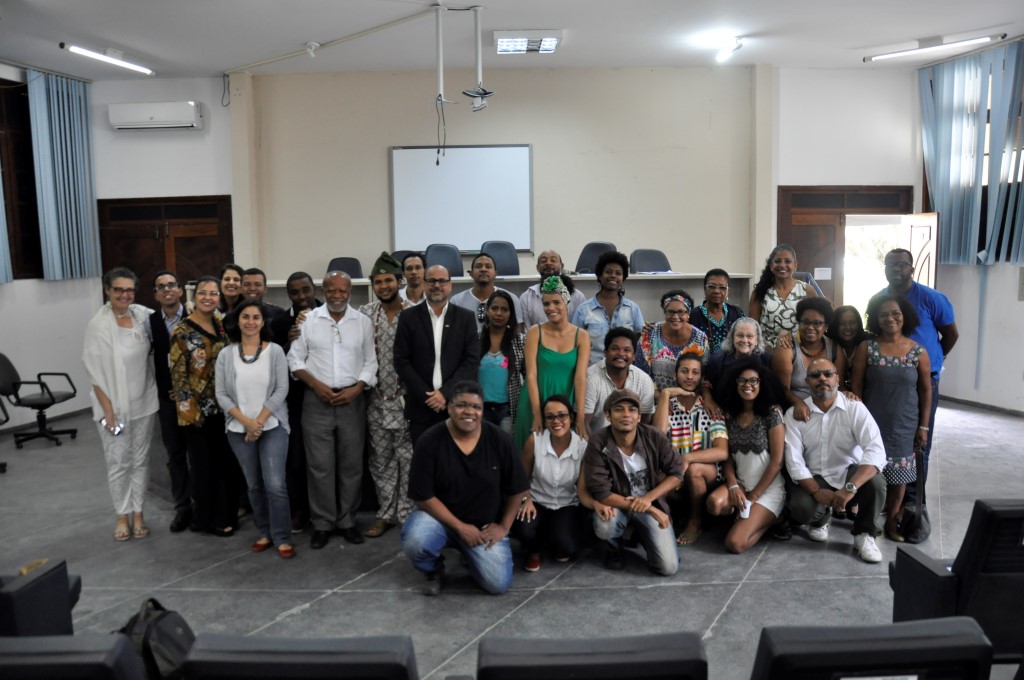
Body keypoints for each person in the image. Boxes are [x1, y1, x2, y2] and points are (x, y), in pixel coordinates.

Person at [402, 381, 530, 595]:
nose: (469, 411)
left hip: (483, 527)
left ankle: (470, 556)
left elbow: (518, 488)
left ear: (482, 410)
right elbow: (422, 496)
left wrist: (503, 527)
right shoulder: (429, 441)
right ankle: (433, 569)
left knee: (497, 584)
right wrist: (460, 527)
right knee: (417, 540)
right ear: (449, 407)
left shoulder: (499, 439)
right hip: (440, 521)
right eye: (462, 405)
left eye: (476, 407)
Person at [287, 271, 378, 550]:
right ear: (322, 291)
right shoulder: (308, 320)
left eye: (342, 290)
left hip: (352, 399)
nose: (337, 295)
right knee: (319, 466)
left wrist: (357, 388)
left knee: (351, 465)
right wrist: (316, 386)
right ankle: (323, 523)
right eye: (331, 290)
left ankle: (347, 521)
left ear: (350, 291)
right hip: (317, 400)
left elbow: (370, 362)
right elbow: (295, 360)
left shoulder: (362, 322)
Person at [873, 248, 957, 504]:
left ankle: (913, 502)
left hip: (923, 381)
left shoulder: (932, 298)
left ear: (912, 269)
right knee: (888, 439)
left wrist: (933, 359)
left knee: (919, 441)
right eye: (890, 265)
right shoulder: (879, 299)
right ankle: (888, 498)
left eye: (901, 265)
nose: (896, 269)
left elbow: (951, 334)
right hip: (889, 380)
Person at [784, 358, 887, 563]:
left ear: (837, 379)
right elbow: (794, 461)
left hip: (848, 474)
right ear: (806, 382)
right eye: (815, 375)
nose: (822, 378)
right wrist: (815, 491)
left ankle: (864, 534)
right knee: (801, 508)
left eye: (828, 374)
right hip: (816, 477)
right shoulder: (794, 414)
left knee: (876, 483)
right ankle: (820, 520)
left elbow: (876, 450)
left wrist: (850, 488)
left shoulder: (854, 407)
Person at [83, 267, 159, 541]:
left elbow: (168, 318)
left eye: (129, 289)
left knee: (140, 461)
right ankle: (121, 515)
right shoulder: (99, 325)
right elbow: (94, 372)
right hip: (113, 409)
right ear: (108, 291)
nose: (124, 295)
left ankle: (138, 513)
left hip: (144, 403)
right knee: (118, 462)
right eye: (119, 290)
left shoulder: (141, 315)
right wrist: (109, 411)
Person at [215, 300, 295, 559]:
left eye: (256, 317)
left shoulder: (275, 351)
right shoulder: (226, 355)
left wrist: (257, 422)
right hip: (239, 429)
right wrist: (246, 423)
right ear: (238, 321)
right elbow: (221, 394)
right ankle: (265, 532)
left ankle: (282, 536)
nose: (250, 322)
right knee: (254, 485)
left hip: (272, 426)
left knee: (275, 485)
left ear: (263, 322)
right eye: (245, 317)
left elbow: (281, 390)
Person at [851, 295, 931, 542]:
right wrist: (856, 421)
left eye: (895, 313)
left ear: (905, 316)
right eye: (883, 314)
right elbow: (856, 387)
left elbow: (926, 391)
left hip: (904, 424)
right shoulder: (867, 348)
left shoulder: (918, 351)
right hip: (871, 423)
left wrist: (923, 426)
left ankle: (892, 522)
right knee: (868, 472)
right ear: (876, 318)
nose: (890, 318)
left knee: (900, 478)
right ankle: (867, 520)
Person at [584, 389, 682, 575]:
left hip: (649, 501)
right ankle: (614, 548)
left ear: (639, 416)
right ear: (608, 415)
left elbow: (676, 472)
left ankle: (643, 535)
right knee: (605, 526)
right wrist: (650, 508)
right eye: (618, 409)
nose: (626, 414)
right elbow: (602, 493)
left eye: (632, 410)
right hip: (616, 505)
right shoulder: (598, 442)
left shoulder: (654, 436)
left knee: (668, 567)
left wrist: (649, 499)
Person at [170, 276, 239, 537]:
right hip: (197, 413)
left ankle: (224, 516)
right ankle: (205, 519)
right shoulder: (181, 331)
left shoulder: (222, 324)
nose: (208, 297)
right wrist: (189, 412)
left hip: (224, 408)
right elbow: (178, 376)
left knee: (225, 465)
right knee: (202, 467)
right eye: (203, 293)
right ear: (194, 296)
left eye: (213, 293)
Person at [359, 253, 415, 538]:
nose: (383, 286)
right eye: (378, 282)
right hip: (376, 401)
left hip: (407, 401)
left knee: (408, 459)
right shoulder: (364, 314)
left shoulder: (415, 313)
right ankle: (385, 513)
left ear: (399, 282)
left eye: (388, 280)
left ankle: (407, 514)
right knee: (381, 460)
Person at [705, 358, 786, 553]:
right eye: (742, 380)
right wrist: (733, 485)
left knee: (734, 543)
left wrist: (753, 497)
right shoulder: (730, 415)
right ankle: (745, 518)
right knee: (714, 504)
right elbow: (727, 457)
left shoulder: (772, 414)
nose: (747, 384)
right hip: (741, 484)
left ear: (762, 383)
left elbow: (777, 462)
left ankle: (772, 519)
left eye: (753, 380)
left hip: (767, 490)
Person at [394, 264, 481, 443]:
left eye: (442, 281)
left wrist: (444, 394)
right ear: (424, 284)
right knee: (424, 458)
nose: (437, 285)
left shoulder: (465, 318)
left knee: (456, 457)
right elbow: (401, 361)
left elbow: (471, 361)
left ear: (450, 285)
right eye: (431, 281)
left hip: (456, 405)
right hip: (421, 406)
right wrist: (428, 396)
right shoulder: (408, 317)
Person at [653, 350, 728, 546]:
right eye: (684, 371)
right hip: (676, 473)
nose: (689, 376)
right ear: (675, 374)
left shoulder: (710, 408)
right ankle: (667, 518)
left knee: (694, 470)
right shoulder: (668, 406)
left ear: (701, 377)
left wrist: (687, 458)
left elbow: (722, 451)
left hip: (707, 474)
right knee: (656, 477)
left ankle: (695, 521)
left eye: (695, 372)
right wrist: (665, 395)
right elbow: (658, 436)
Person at [516, 394, 595, 572]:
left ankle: (553, 537)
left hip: (567, 504)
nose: (556, 421)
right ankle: (534, 550)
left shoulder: (583, 445)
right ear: (544, 420)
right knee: (525, 529)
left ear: (571, 417)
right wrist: (526, 499)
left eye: (562, 415)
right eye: (550, 417)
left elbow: (583, 488)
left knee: (567, 545)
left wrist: (596, 505)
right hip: (536, 501)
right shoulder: (534, 440)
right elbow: (521, 478)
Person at [269, 271, 321, 532]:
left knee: (325, 459)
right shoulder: (279, 323)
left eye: (306, 290)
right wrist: (289, 342)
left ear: (314, 289)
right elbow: (274, 363)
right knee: (297, 457)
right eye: (295, 292)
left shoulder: (331, 313)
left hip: (326, 395)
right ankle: (300, 509)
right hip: (295, 400)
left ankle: (327, 511)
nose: (301, 297)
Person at [514, 275, 590, 451]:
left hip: (564, 404)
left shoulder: (581, 336)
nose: (551, 308)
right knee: (529, 454)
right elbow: (531, 375)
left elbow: (580, 378)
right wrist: (537, 413)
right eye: (546, 304)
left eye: (556, 302)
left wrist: (579, 416)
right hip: (533, 402)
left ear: (566, 302)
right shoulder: (535, 332)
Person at [147, 270, 191, 533]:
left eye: (171, 285)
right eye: (161, 286)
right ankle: (183, 507)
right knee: (175, 455)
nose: (167, 290)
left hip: (194, 400)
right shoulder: (150, 323)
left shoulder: (196, 316)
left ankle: (204, 503)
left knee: (199, 454)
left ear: (180, 290)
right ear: (156, 295)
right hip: (167, 401)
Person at [772, 298, 846, 423]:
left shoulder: (834, 348)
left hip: (828, 411)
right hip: (794, 412)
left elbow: (839, 385)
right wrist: (797, 402)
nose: (810, 327)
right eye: (805, 322)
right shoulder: (786, 346)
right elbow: (781, 389)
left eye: (817, 323)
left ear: (826, 326)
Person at [572, 250, 644, 365]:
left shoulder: (633, 308)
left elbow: (638, 342)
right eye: (608, 272)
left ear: (623, 278)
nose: (613, 276)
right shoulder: (583, 310)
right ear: (600, 275)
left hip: (624, 370)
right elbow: (575, 345)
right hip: (592, 371)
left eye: (618, 273)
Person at [584, 327, 656, 434]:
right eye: (615, 349)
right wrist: (595, 444)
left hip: (632, 441)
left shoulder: (644, 380)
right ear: (605, 352)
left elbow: (645, 423)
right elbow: (583, 423)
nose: (621, 353)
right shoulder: (590, 377)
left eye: (627, 350)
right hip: (596, 440)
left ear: (634, 356)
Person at [701, 317, 776, 419]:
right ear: (732, 338)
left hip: (757, 413)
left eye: (750, 336)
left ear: (757, 340)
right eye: (740, 335)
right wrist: (708, 399)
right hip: (724, 412)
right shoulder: (717, 360)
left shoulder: (767, 360)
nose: (744, 340)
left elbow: (773, 390)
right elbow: (705, 382)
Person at [634, 289, 709, 390]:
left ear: (688, 314)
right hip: (653, 395)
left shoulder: (700, 339)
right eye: (670, 312)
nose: (675, 316)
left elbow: (704, 376)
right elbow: (641, 374)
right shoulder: (649, 334)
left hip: (690, 396)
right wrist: (662, 396)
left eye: (681, 312)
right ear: (665, 312)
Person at [748, 244, 818, 349]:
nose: (782, 265)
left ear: (795, 265)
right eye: (777, 261)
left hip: (800, 348)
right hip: (767, 349)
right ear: (771, 265)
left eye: (787, 261)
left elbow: (817, 321)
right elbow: (752, 327)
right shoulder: (760, 291)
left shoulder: (807, 290)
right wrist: (766, 349)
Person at [477, 290, 526, 434]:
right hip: (480, 409)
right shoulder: (476, 339)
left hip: (508, 410)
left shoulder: (520, 341)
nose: (499, 313)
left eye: (504, 310)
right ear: (487, 310)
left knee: (505, 446)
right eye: (494, 308)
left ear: (511, 313)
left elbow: (529, 374)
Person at [449, 252, 524, 332]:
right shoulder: (456, 301)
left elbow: (518, 330)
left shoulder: (510, 298)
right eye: (478, 266)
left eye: (488, 266)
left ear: (495, 274)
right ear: (471, 273)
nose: (483, 269)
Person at [519, 250, 586, 327]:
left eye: (553, 260)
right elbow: (527, 331)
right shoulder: (527, 297)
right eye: (543, 261)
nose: (548, 263)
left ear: (562, 266)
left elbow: (580, 328)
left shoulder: (578, 296)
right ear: (537, 267)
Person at [689, 269, 743, 354]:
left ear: (727, 291)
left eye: (722, 288)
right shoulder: (694, 315)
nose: (717, 291)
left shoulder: (736, 313)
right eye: (711, 287)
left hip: (732, 361)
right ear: (704, 289)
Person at [224, 267, 285, 337]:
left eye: (257, 284)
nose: (252, 288)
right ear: (240, 289)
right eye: (247, 284)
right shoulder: (231, 317)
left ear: (265, 289)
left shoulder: (278, 314)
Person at [827, 305, 870, 390]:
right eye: (842, 323)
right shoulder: (828, 343)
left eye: (852, 323)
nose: (848, 327)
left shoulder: (868, 342)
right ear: (835, 325)